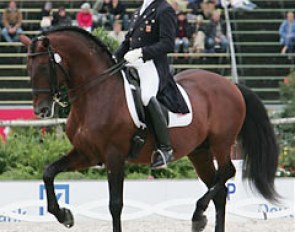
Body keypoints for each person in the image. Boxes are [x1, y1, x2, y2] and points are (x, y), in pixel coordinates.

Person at [114, 0, 189, 169]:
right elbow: (128, 41)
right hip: (133, 63)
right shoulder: (138, 10)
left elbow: (168, 44)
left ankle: (165, 149)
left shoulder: (164, 10)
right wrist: (114, 58)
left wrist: (142, 52)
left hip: (152, 65)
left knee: (147, 96)